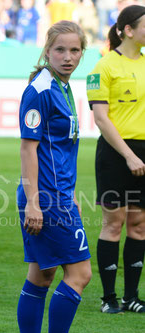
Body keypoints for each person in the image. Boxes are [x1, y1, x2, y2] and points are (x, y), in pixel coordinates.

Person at [16, 20, 94, 333]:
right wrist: (34, 201)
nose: (68, 57)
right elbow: (28, 149)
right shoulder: (42, 89)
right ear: (47, 50)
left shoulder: (63, 87)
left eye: (75, 50)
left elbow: (58, 151)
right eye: (60, 50)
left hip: (59, 196)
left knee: (42, 274)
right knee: (80, 273)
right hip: (47, 199)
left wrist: (72, 193)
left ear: (82, 52)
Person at [86, 4, 145, 314]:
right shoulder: (104, 66)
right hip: (115, 153)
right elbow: (101, 119)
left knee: (139, 224)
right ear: (128, 30)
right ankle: (109, 298)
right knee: (114, 224)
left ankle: (131, 297)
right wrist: (129, 155)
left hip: (143, 152)